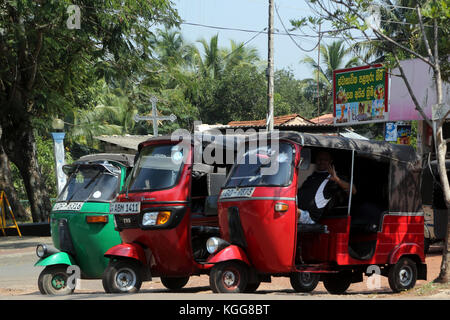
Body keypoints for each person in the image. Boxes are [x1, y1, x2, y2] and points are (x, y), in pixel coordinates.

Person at [297, 150, 356, 224]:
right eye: (320, 159)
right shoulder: (312, 177)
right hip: (299, 210)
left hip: (309, 217)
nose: (322, 161)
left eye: (325, 160)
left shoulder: (334, 177)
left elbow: (353, 190)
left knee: (290, 210)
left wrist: (337, 179)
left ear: (330, 161)